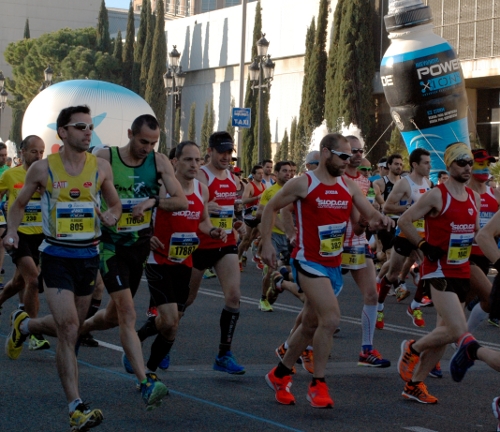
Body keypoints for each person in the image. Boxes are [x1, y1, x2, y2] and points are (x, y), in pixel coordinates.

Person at [3, 105, 121, 430]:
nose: (87, 131)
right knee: (68, 329)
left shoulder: (100, 168)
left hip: (88, 257)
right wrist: (11, 231)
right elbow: (18, 205)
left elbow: (114, 203)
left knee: (72, 326)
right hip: (55, 256)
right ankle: (76, 407)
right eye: (80, 126)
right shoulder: (42, 169)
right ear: (63, 132)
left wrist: (113, 214)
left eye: (90, 126)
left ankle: (24, 326)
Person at [261, 133, 392, 408]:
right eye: (343, 155)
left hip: (333, 263)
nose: (349, 160)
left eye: (351, 156)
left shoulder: (348, 185)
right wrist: (267, 245)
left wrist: (381, 219)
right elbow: (271, 206)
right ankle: (317, 384)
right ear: (325, 153)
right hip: (308, 262)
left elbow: (368, 213)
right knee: (330, 319)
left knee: (309, 325)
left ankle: (279, 374)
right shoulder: (304, 183)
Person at [81, 114, 187, 409]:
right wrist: (99, 212)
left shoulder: (160, 161)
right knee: (127, 312)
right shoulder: (105, 157)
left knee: (114, 315)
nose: (147, 148)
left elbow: (181, 201)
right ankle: (145, 382)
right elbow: (80, 189)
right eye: (143, 141)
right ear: (130, 133)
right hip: (110, 246)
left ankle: (78, 329)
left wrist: (153, 202)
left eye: (153, 143)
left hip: (138, 248)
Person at [396, 142, 484, 404]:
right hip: (439, 271)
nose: (467, 167)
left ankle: (414, 384)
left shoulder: (473, 197)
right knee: (458, 332)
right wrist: (424, 245)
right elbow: (404, 221)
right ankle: (412, 348)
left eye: (470, 163)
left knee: (444, 336)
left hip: (462, 270)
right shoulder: (437, 195)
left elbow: (476, 234)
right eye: (461, 162)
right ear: (448, 166)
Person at [132, 141, 227, 375]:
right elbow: (136, 215)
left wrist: (213, 230)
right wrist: (147, 235)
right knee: (171, 320)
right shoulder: (161, 187)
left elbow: (202, 222)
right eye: (188, 159)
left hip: (184, 262)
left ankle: (137, 340)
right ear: (175, 162)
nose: (194, 165)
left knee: (170, 326)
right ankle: (148, 373)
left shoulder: (201, 190)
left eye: (197, 160)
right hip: (158, 261)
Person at [186, 131, 247, 374]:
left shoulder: (232, 178)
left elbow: (228, 208)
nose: (225, 156)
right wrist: (202, 205)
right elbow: (187, 201)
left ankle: (224, 354)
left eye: (229, 151)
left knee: (233, 296)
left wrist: (236, 223)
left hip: (225, 242)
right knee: (184, 302)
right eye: (221, 151)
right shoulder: (201, 175)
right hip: (199, 244)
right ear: (209, 151)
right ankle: (161, 342)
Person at [341, 135, 390, 367]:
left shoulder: (365, 181)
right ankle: (299, 345)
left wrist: (378, 219)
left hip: (358, 242)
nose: (358, 154)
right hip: (333, 245)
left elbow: (367, 213)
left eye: (361, 150)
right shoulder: (336, 178)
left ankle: (366, 350)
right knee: (321, 303)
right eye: (353, 150)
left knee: (371, 294)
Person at [0, 135, 49, 350]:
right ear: (22, 153)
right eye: (33, 151)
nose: (38, 156)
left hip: (43, 236)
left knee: (20, 282)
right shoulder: (11, 175)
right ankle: (33, 332)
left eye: (41, 152)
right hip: (19, 235)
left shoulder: (47, 175)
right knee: (34, 280)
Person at [377, 149, 431, 328]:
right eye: (426, 163)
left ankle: (415, 306)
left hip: (423, 234)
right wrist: (410, 209)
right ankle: (378, 306)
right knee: (393, 274)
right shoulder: (405, 184)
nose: (429, 166)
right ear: (415, 165)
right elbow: (387, 208)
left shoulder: (428, 182)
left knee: (429, 269)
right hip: (405, 233)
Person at [255, 161, 292, 312]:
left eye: (290, 171)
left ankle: (278, 284)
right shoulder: (270, 192)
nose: (288, 173)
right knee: (271, 269)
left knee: (294, 271)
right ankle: (263, 299)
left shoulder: (295, 191)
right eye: (284, 171)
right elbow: (260, 212)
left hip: (291, 238)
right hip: (275, 236)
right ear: (276, 174)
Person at [238, 165, 265, 269]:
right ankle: (238, 258)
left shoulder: (263, 186)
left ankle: (258, 255)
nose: (261, 175)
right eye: (259, 173)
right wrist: (256, 197)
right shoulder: (250, 185)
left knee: (266, 235)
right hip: (249, 215)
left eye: (262, 173)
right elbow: (244, 200)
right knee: (246, 239)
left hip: (258, 216)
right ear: (253, 174)